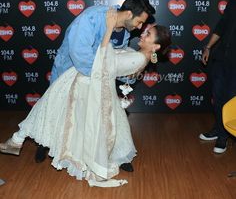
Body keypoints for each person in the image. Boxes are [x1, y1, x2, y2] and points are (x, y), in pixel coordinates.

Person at [0, 10, 171, 187]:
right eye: (144, 29)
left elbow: (103, 63)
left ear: (156, 46)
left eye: (148, 33)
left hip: (87, 88)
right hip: (84, 84)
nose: (142, 32)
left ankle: (17, 140)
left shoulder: (137, 58)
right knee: (50, 109)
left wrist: (109, 29)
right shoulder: (138, 54)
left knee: (50, 109)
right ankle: (17, 140)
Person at [34, 0, 156, 169]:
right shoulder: (92, 17)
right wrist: (104, 75)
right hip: (69, 72)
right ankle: (44, 144)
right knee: (56, 110)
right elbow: (80, 55)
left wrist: (121, 74)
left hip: (96, 78)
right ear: (129, 14)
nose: (140, 27)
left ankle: (114, 155)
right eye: (139, 22)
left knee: (100, 118)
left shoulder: (125, 32)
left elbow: (114, 60)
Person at [199, 0, 236, 154]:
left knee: (229, 99)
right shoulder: (234, 0)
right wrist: (208, 47)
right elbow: (222, 25)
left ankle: (223, 136)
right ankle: (219, 129)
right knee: (218, 97)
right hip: (222, 58)